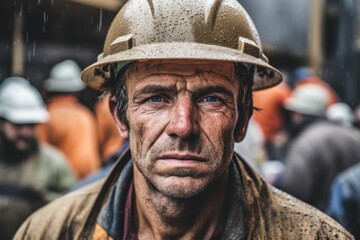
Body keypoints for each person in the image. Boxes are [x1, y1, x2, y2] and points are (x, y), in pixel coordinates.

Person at [15, 0, 353, 239]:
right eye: (156, 98)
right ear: (120, 116)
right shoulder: (50, 232)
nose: (183, 126)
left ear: (242, 119)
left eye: (210, 99)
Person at [0, 77, 76, 239]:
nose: (26, 132)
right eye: (18, 125)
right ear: (1, 122)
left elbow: (73, 213)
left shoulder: (54, 164)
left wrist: (44, 200)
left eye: (31, 125)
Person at [279, 84, 360, 211]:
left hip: (317, 223)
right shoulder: (353, 135)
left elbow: (293, 191)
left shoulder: (305, 142)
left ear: (298, 114)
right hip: (352, 221)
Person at [37, 59, 101, 179]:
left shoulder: (47, 117)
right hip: (91, 181)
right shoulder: (86, 115)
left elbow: (38, 157)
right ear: (76, 92)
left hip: (63, 183)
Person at [94, 94, 126, 164]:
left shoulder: (103, 105)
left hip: (111, 153)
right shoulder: (129, 96)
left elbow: (100, 136)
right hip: (127, 150)